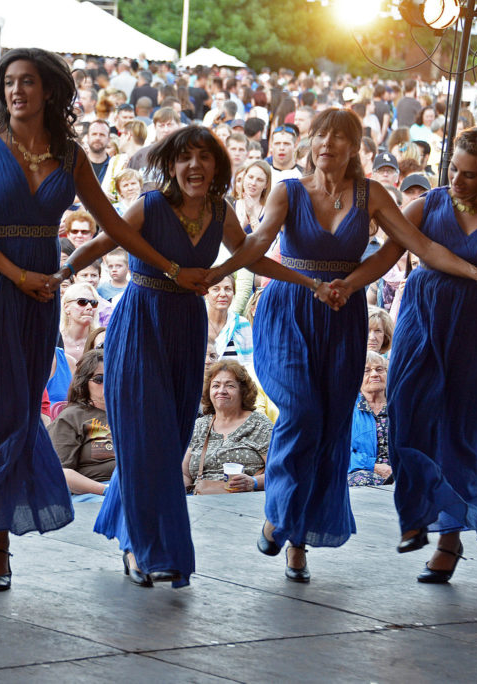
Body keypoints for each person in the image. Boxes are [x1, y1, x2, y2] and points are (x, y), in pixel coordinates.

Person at [0, 47, 203, 592]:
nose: (15, 92)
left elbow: (113, 223)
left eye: (27, 82)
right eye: (8, 83)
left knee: (22, 407)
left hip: (39, 289)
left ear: (50, 90)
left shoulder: (71, 154)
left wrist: (172, 266)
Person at [251, 111, 477, 585]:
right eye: (321, 134)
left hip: (342, 315)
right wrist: (214, 267)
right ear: (309, 141)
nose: (327, 144)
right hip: (290, 311)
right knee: (302, 414)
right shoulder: (287, 191)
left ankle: (297, 542)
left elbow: (413, 245)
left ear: (356, 145)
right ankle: (278, 511)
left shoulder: (371, 195)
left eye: (340, 136)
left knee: (331, 426)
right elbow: (256, 243)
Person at [66, 126, 301, 588]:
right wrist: (61, 272)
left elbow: (251, 253)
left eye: (204, 157)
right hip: (141, 324)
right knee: (143, 441)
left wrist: (307, 281)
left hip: (187, 327)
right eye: (185, 157)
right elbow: (103, 242)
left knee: (170, 442)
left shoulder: (220, 210)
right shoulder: (151, 205)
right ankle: (141, 545)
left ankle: (135, 530)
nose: (195, 165)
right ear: (171, 165)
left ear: (217, 166)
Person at [332, 124, 477, 584]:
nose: (457, 180)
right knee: (408, 410)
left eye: (470, 175)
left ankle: (448, 539)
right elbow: (389, 252)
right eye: (454, 169)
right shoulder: (428, 203)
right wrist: (350, 284)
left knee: (461, 433)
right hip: (426, 319)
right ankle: (415, 509)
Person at [182, 360, 272, 495]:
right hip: (200, 504)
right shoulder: (200, 426)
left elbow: (280, 471)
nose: (221, 391)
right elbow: (185, 474)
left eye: (230, 386)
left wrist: (253, 481)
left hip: (246, 505)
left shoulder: (259, 425)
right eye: (216, 385)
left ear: (243, 391)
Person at [49, 349, 114, 500]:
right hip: (93, 494)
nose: (108, 383)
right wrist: (106, 490)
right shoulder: (72, 417)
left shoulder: (131, 415)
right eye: (99, 379)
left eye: (114, 376)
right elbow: (61, 472)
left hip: (135, 488)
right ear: (84, 382)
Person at [348, 352, 393, 487]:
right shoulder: (347, 409)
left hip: (400, 472)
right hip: (362, 473)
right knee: (364, 479)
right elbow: (338, 451)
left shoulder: (399, 406)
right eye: (366, 370)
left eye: (379, 369)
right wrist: (373, 465)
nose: (374, 374)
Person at [206, 272, 253, 367]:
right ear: (206, 294)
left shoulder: (242, 324)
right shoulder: (196, 324)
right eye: (216, 289)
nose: (223, 294)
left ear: (234, 293)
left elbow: (249, 365)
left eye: (228, 289)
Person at [232, 159, 271, 233]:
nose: (253, 183)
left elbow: (263, 241)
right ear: (244, 177)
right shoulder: (230, 205)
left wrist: (252, 216)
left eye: (259, 180)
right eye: (250, 177)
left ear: (266, 184)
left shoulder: (270, 211)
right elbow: (225, 242)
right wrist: (243, 224)